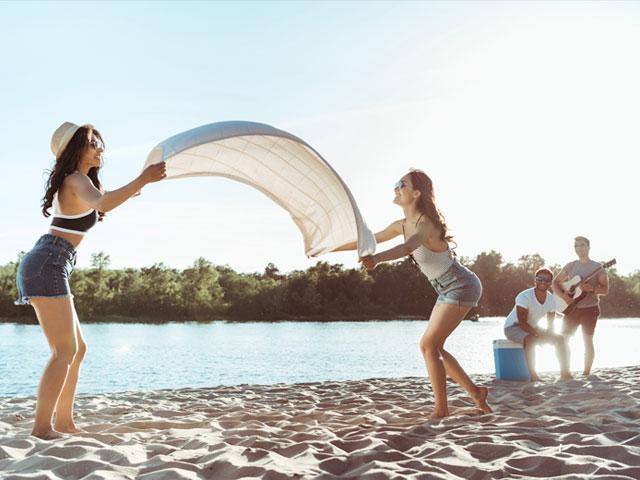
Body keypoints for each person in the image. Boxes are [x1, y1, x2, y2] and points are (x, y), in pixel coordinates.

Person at [15, 122, 166, 439]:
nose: (100, 147)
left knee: (77, 349)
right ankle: (43, 428)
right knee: (63, 350)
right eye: (93, 142)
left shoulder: (81, 182)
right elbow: (103, 202)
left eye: (100, 142)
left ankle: (65, 422)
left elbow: (102, 199)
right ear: (76, 149)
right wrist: (144, 178)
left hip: (54, 262)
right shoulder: (74, 179)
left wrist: (133, 187)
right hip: (49, 262)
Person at [334, 170, 491, 419]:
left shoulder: (426, 222)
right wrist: (327, 249)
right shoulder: (401, 225)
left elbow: (408, 246)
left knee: (429, 345)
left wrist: (377, 259)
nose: (396, 188)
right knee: (434, 346)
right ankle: (475, 392)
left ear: (416, 193)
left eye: (401, 184)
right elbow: (370, 238)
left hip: (461, 284)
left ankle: (441, 410)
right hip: (445, 287)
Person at [553, 236, 609, 376]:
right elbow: (555, 282)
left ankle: (586, 373)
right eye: (576, 246)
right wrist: (564, 296)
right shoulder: (571, 265)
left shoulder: (598, 267)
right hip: (571, 309)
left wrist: (591, 289)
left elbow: (605, 290)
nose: (579, 248)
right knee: (563, 339)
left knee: (587, 340)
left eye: (582, 245)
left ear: (589, 247)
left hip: (590, 309)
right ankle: (565, 371)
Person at [504, 268, 572, 381]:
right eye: (540, 279)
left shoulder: (551, 299)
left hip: (532, 327)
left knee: (559, 339)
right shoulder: (524, 296)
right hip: (513, 327)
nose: (543, 282)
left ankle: (564, 373)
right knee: (531, 339)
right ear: (535, 280)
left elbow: (551, 324)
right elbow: (522, 322)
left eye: (547, 280)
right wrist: (538, 334)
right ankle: (533, 376)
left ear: (550, 283)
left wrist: (549, 335)